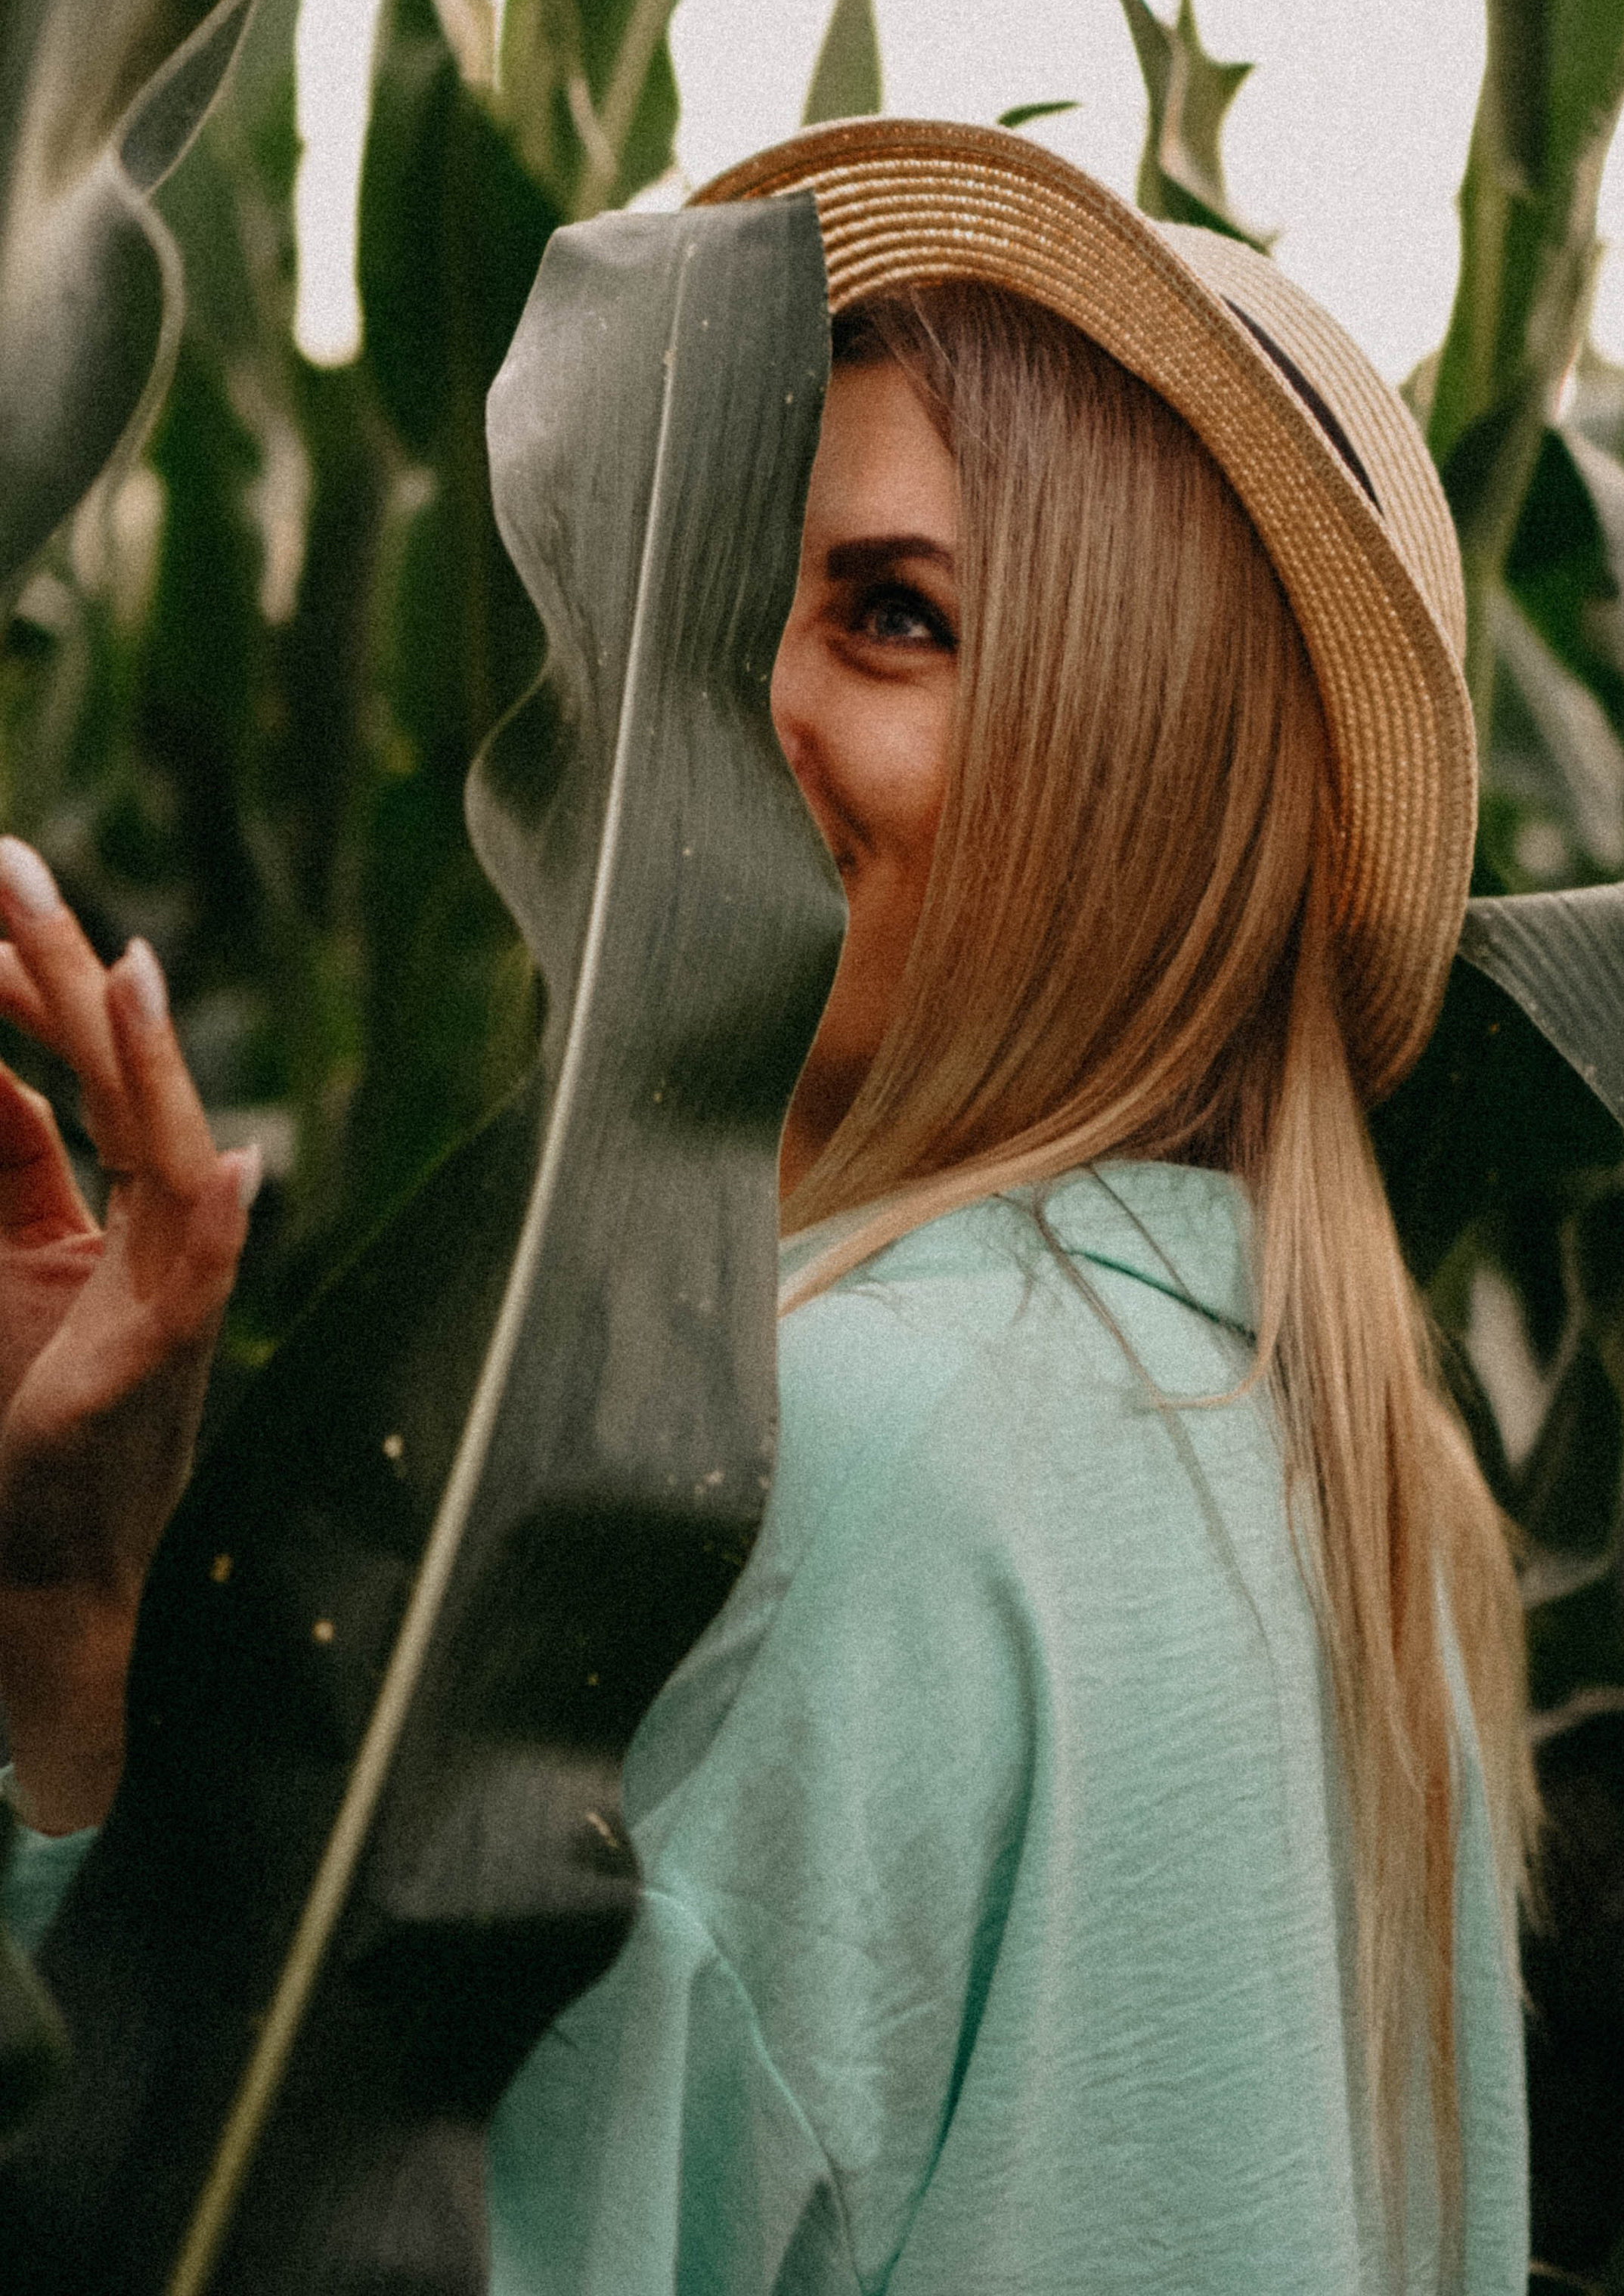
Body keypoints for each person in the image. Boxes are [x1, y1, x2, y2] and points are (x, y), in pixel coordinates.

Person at [2, 119, 1529, 2291]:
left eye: (895, 619)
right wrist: (79, 1617)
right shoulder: (1343, 1484)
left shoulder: (812, 1460)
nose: (742, 710)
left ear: (1132, 757)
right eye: (753, 601)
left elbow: (274, 2239)